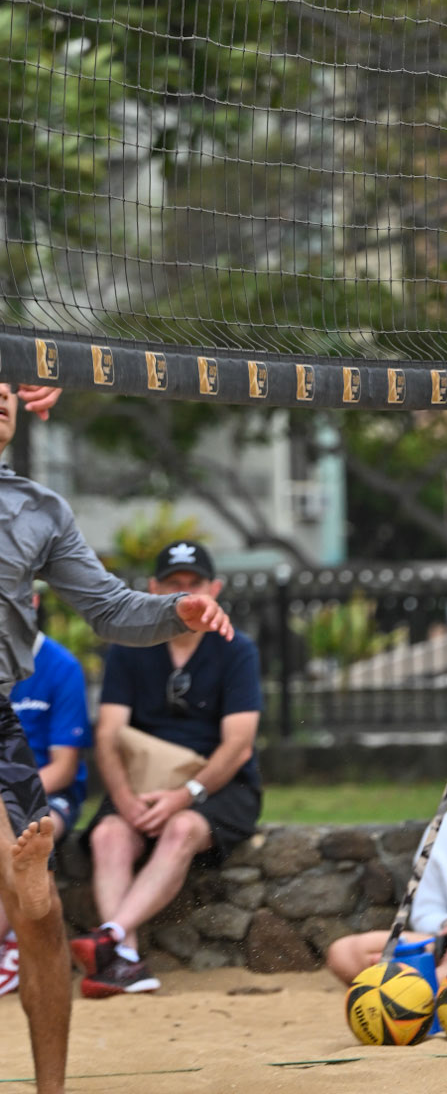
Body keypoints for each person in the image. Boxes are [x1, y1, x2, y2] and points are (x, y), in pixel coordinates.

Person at [0, 383, 231, 1094]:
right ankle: (18, 872)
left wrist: (177, 611)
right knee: (19, 881)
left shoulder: (38, 509)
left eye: (3, 390)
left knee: (41, 919)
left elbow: (109, 608)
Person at [74, 538, 261, 999]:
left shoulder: (238, 649)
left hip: (216, 787)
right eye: (173, 584)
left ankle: (110, 935)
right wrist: (124, 801)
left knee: (180, 829)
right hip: (139, 783)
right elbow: (108, 734)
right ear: (153, 588)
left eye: (194, 584)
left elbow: (238, 745)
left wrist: (186, 794)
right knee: (107, 834)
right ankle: (126, 961)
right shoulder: (127, 648)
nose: (185, 593)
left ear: (213, 587)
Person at [326, 723, 447, 984]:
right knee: (343, 953)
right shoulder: (442, 828)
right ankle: (425, 986)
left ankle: (417, 992)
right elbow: (424, 911)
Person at [0, 610, 92, 996]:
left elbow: (65, 767)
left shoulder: (60, 666)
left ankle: (17, 946)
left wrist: (11, 803)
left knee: (21, 839)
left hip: (49, 794)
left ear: (30, 599)